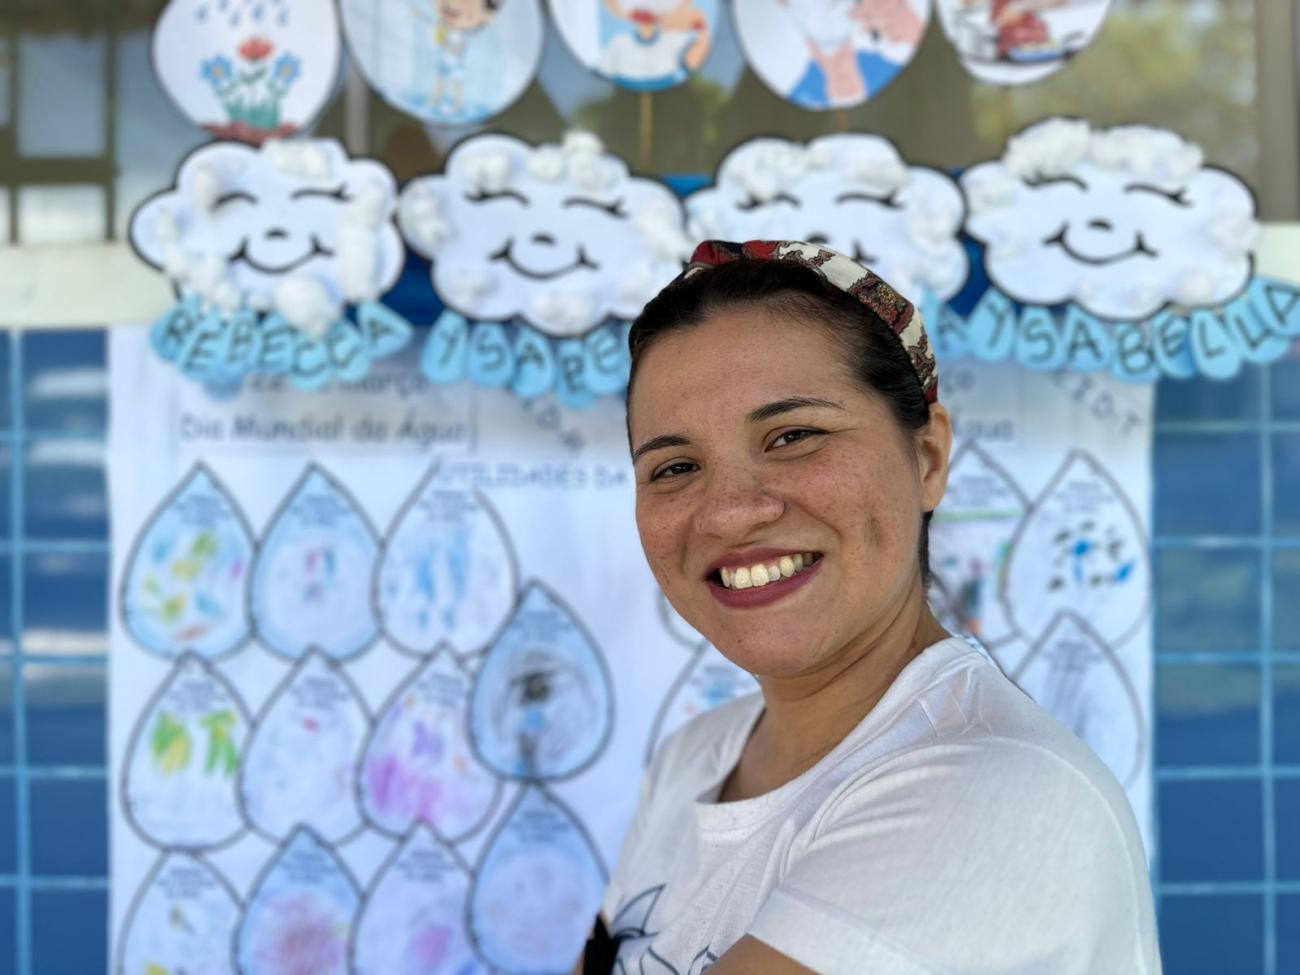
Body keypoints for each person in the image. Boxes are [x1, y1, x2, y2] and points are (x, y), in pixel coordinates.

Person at [579, 240, 1161, 973]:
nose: (728, 512)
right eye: (675, 466)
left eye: (794, 435)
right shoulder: (696, 758)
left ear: (928, 458)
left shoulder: (994, 789)